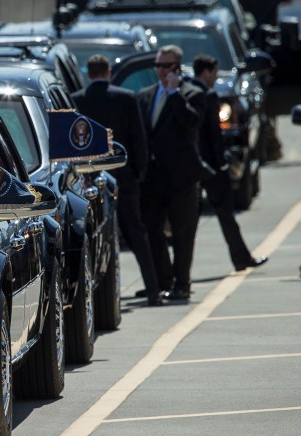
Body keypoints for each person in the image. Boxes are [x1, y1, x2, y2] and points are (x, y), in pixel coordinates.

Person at [71, 54, 167, 307]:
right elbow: (139, 138)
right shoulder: (126, 97)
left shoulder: (76, 101)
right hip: (124, 176)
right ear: (109, 71)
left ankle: (96, 297)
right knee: (136, 232)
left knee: (95, 237)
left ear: (88, 73)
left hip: (89, 180)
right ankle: (154, 289)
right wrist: (139, 172)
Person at [136, 45, 207, 302]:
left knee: (182, 233)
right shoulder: (145, 96)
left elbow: (191, 123)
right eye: (159, 65)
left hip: (181, 178)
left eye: (167, 66)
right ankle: (161, 281)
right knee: (151, 230)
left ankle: (182, 283)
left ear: (178, 67)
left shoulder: (193, 94)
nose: (162, 71)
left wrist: (175, 93)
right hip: (153, 179)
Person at [190, 54, 268, 271]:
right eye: (214, 73)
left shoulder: (185, 91)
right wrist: (222, 164)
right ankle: (241, 258)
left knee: (186, 225)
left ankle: (177, 275)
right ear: (205, 72)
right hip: (212, 166)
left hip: (191, 164)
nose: (215, 78)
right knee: (226, 215)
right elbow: (215, 136)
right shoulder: (210, 95)